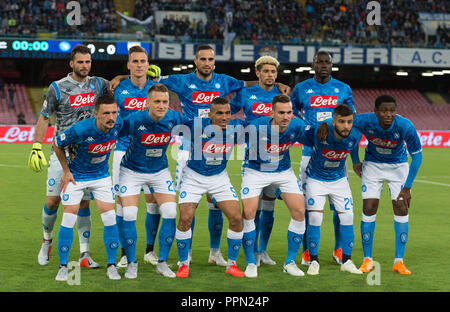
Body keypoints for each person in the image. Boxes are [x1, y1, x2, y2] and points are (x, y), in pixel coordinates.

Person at [29, 44, 124, 268]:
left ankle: (84, 254)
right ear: (71, 64)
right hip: (61, 152)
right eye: (80, 62)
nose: (84, 66)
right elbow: (44, 117)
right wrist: (36, 145)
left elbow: (121, 87)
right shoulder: (58, 87)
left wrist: (121, 75)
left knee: (83, 205)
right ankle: (47, 240)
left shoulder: (99, 84)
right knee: (52, 201)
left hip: (88, 155)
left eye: (88, 62)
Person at [230, 55, 297, 267]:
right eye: (265, 71)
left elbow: (291, 119)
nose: (270, 75)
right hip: (254, 160)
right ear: (257, 73)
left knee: (269, 211)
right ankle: (251, 251)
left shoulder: (283, 94)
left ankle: (262, 251)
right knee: (253, 210)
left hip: (279, 160)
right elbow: (227, 111)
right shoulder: (246, 93)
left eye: (273, 72)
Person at [292, 50, 355, 266]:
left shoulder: (343, 88)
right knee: (310, 208)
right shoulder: (301, 89)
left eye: (327, 62)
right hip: (310, 154)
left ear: (332, 64)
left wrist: (329, 125)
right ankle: (308, 252)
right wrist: (311, 129)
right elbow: (292, 116)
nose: (324, 65)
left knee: (340, 208)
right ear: (313, 64)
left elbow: (349, 117)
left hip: (338, 155)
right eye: (320, 62)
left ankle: (339, 249)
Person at [117, 84, 186, 279]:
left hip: (159, 171)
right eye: (157, 101)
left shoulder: (174, 118)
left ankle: (162, 262)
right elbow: (111, 134)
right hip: (131, 171)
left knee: (171, 212)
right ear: (148, 102)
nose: (161, 105)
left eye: (165, 101)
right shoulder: (134, 120)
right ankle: (131, 263)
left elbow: (195, 128)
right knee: (129, 213)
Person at [52, 93, 123, 281]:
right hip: (77, 177)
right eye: (106, 113)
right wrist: (66, 171)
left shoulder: (119, 124)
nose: (111, 117)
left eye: (114, 112)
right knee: (68, 218)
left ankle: (111, 266)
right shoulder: (81, 129)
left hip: (101, 176)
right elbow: (57, 143)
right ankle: (63, 267)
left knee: (109, 217)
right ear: (96, 114)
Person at [351, 95, 422, 275]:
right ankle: (367, 259)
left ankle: (399, 261)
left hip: (398, 166)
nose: (388, 114)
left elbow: (417, 156)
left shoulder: (405, 126)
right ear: (376, 112)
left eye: (392, 111)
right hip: (373, 165)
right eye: (384, 111)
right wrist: (355, 160)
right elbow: (350, 130)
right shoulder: (365, 120)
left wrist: (407, 187)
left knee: (401, 208)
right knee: (369, 206)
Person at [175, 97, 246, 278]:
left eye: (228, 113)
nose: (224, 117)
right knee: (185, 218)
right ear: (210, 114)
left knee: (237, 218)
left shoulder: (236, 128)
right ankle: (183, 264)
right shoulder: (194, 125)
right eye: (219, 113)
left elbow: (264, 126)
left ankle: (232, 264)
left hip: (219, 177)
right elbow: (170, 121)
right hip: (193, 176)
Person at [240, 94, 307, 278]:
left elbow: (313, 139)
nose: (286, 117)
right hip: (255, 170)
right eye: (281, 113)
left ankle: (290, 262)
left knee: (299, 211)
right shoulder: (255, 127)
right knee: (249, 213)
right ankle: (251, 262)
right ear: (272, 113)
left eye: (289, 112)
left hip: (283, 171)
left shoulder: (297, 125)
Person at [112, 46, 159, 268]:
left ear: (148, 65)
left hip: (152, 152)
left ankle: (150, 251)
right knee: (123, 205)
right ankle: (124, 253)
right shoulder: (118, 89)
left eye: (143, 61)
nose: (139, 65)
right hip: (123, 152)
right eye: (135, 61)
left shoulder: (157, 89)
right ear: (128, 64)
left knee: (155, 204)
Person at [301, 104, 362, 276]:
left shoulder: (355, 134)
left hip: (338, 180)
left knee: (348, 216)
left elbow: (354, 145)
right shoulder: (320, 130)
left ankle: (347, 260)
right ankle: (313, 260)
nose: (346, 126)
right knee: (314, 216)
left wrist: (356, 161)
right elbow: (299, 134)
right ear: (334, 120)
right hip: (316, 179)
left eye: (349, 122)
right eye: (341, 122)